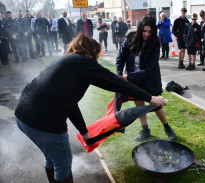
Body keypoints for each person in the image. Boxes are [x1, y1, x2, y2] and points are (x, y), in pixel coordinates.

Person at [15, 33, 166, 183]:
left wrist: (84, 132)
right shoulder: (84, 62)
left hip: (22, 115)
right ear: (92, 51)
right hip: (44, 121)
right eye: (97, 54)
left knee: (51, 155)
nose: (98, 58)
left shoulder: (66, 61)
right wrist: (151, 98)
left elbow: (70, 103)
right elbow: (116, 82)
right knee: (63, 163)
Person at [116, 17, 177, 142]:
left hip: (149, 78)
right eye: (144, 31)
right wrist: (119, 75)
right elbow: (120, 58)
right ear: (140, 30)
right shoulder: (129, 39)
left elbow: (149, 69)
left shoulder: (155, 43)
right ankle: (145, 130)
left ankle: (166, 126)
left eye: (149, 32)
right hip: (134, 79)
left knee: (155, 104)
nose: (147, 34)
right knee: (139, 104)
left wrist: (129, 76)